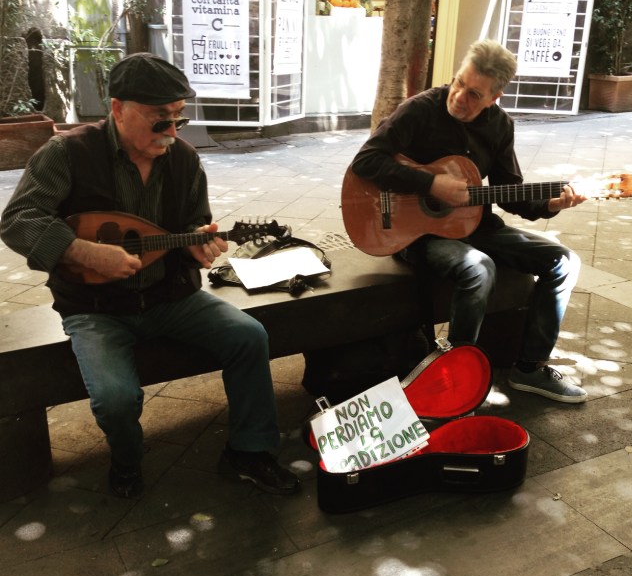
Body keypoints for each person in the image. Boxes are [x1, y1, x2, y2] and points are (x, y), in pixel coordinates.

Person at [0, 52, 300, 497]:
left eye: (178, 118)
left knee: (248, 335)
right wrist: (84, 251)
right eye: (160, 119)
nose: (172, 132)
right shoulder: (68, 153)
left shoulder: (184, 159)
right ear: (118, 109)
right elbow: (18, 220)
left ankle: (249, 452)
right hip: (96, 308)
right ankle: (126, 460)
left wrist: (199, 243)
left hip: (171, 296)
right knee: (116, 399)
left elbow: (195, 222)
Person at [350, 39, 588, 404]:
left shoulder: (500, 126)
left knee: (565, 262)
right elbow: (366, 161)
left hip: (476, 227)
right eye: (459, 82)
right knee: (480, 269)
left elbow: (512, 191)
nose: (460, 96)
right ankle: (457, 378)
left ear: (495, 97)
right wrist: (431, 183)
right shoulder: (419, 110)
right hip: (413, 234)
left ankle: (530, 368)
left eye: (474, 94)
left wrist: (551, 203)